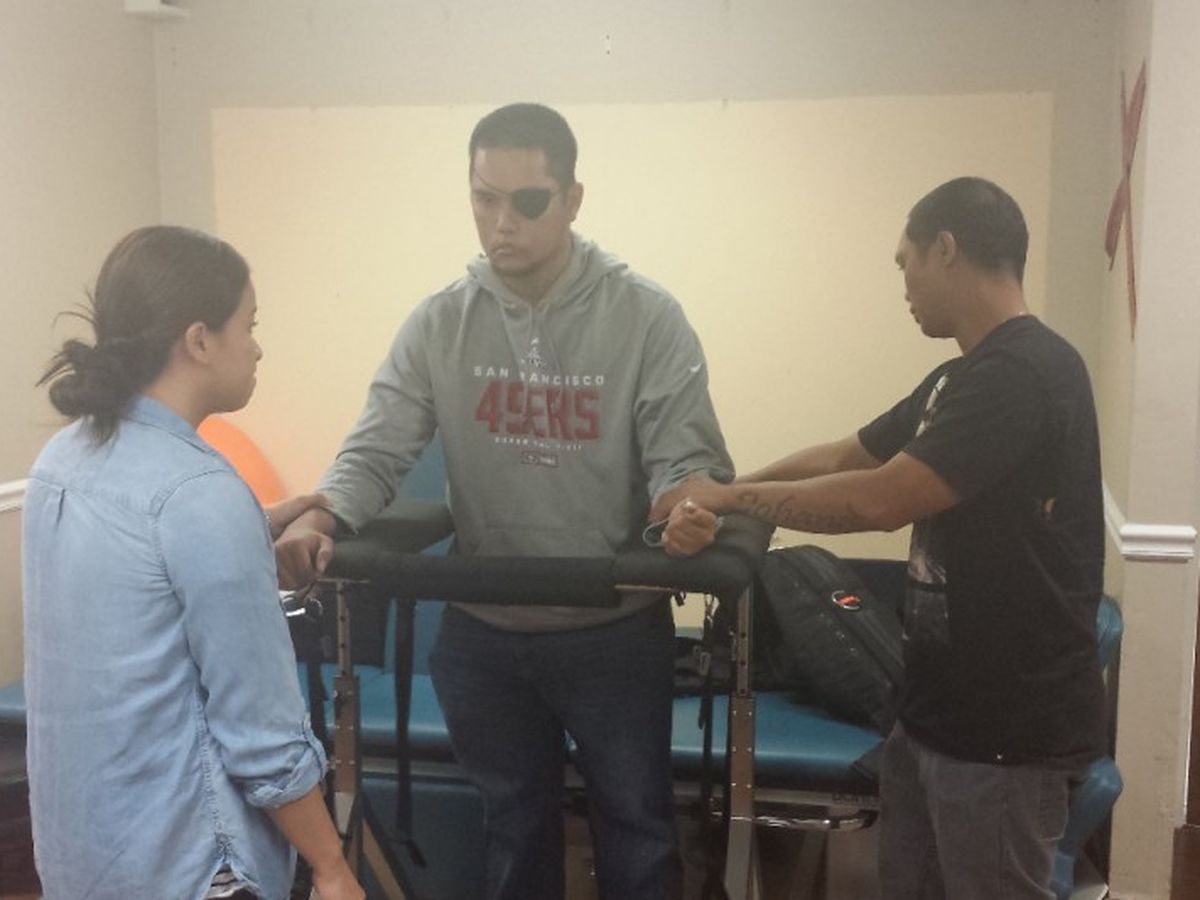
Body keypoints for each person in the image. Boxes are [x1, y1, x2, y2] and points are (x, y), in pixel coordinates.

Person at [274, 102, 733, 900]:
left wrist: (684, 510)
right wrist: (320, 514)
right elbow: (377, 448)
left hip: (613, 634)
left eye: (527, 201)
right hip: (483, 634)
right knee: (514, 833)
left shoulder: (645, 316)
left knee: (638, 832)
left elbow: (685, 460)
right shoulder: (440, 322)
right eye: (485, 198)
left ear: (573, 199)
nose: (502, 222)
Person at [663, 177, 1107, 899]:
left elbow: (880, 499)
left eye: (906, 262)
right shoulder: (959, 378)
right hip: (932, 718)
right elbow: (848, 456)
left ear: (946, 248)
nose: (903, 286)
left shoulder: (1024, 373)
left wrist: (732, 499)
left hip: (1002, 734)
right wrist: (730, 492)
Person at [24, 226, 363, 900]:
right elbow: (261, 732)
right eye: (249, 325)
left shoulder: (63, 459)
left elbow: (132, 590)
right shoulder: (203, 496)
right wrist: (331, 866)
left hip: (81, 860)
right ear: (200, 341)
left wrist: (251, 536)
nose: (257, 346)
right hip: (190, 866)